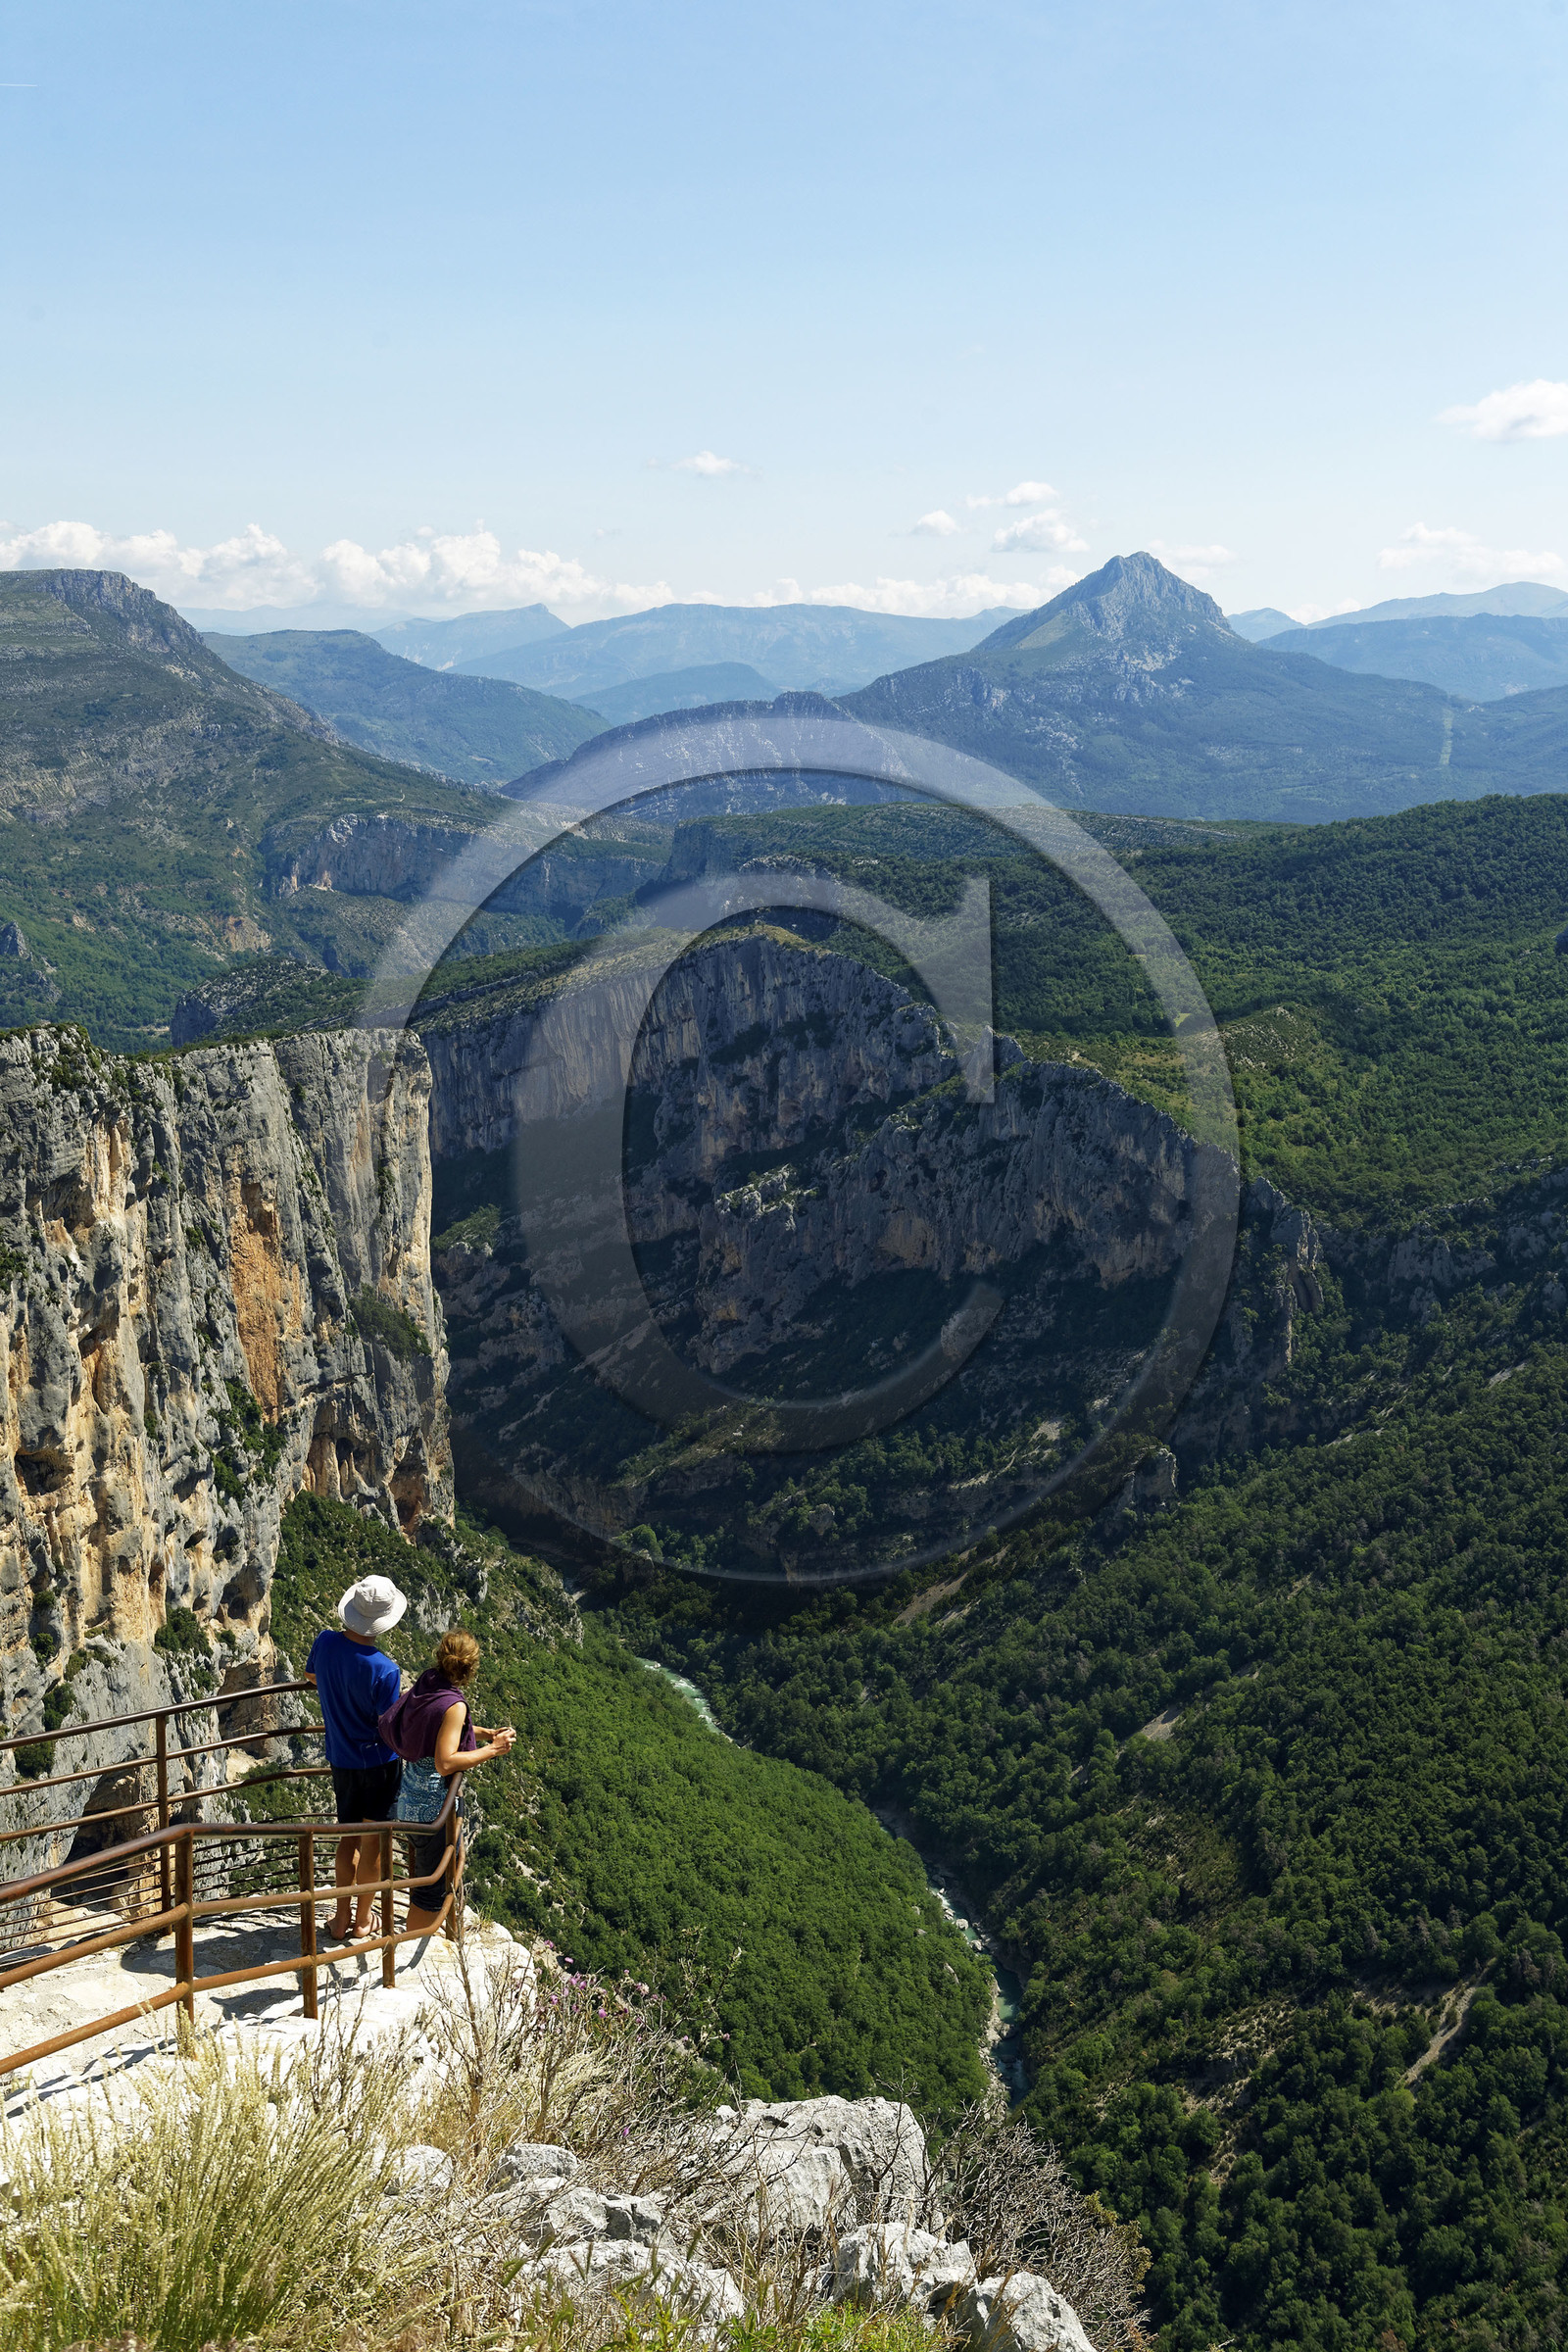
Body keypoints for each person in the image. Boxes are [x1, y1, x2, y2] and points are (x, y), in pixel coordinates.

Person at [390, 1628, 515, 1936]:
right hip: (432, 1811)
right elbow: (445, 1762)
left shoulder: (427, 1681)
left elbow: (442, 1726)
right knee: (430, 1890)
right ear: (471, 1668)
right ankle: (408, 1951)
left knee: (438, 1869)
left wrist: (485, 1733)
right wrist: (493, 1749)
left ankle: (447, 1930)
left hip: (409, 1800)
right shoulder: (455, 1704)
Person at [305, 1574, 407, 1941]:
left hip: (341, 1759)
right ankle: (363, 1920)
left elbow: (311, 1676)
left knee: (347, 1837)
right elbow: (389, 1726)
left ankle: (340, 1916)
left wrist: (339, 1689)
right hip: (379, 1765)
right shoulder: (385, 1669)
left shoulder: (326, 1643)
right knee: (373, 1842)